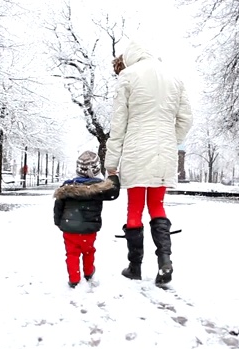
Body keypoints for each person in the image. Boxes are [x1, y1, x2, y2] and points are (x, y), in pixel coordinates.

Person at [105, 40, 193, 285]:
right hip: (164, 152)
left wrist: (111, 163)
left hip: (135, 149)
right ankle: (164, 261)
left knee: (134, 208)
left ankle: (135, 266)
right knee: (157, 205)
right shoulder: (175, 78)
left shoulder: (128, 76)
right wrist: (169, 139)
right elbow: (186, 120)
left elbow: (118, 124)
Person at [53, 151, 120, 288]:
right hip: (89, 230)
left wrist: (58, 222)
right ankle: (88, 272)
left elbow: (58, 206)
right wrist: (113, 176)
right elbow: (114, 192)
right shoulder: (98, 189)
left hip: (69, 228)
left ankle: (74, 278)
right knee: (88, 251)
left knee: (72, 254)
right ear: (96, 170)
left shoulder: (67, 188)